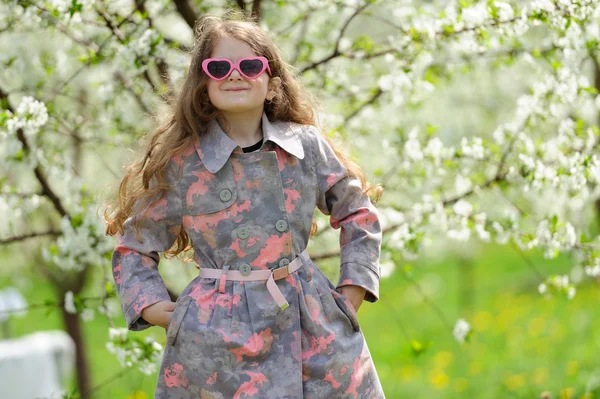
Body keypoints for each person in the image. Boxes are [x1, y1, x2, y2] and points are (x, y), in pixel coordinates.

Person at [104, 10, 385, 399]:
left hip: (310, 321)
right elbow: (134, 243)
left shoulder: (304, 147)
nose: (234, 74)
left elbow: (358, 211)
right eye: (219, 67)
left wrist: (353, 288)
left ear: (271, 82)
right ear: (204, 85)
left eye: (249, 64)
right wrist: (151, 305)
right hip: (218, 337)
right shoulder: (185, 164)